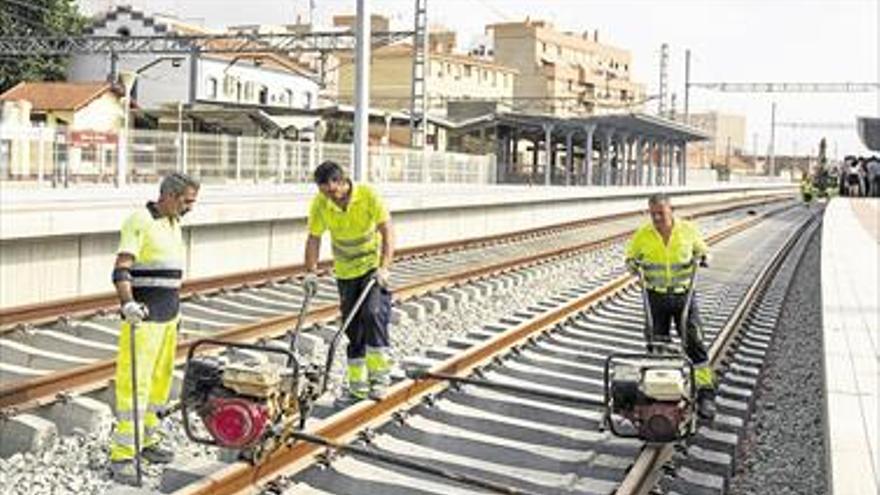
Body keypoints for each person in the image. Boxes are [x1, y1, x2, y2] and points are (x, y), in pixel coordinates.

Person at [109, 172, 199, 485]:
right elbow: (121, 268)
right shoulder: (139, 220)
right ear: (170, 197)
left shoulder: (175, 223)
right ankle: (123, 455)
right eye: (187, 201)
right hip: (143, 319)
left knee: (159, 385)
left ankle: (148, 441)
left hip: (169, 317)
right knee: (135, 384)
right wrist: (127, 304)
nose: (190, 207)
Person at [303, 161, 395, 401]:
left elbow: (387, 231)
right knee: (352, 327)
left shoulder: (367, 196)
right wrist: (311, 272)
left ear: (343, 182)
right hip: (345, 273)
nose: (330, 198)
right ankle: (358, 385)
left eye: (333, 192)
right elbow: (313, 238)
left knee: (373, 314)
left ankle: (380, 378)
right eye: (324, 193)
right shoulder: (321, 203)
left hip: (371, 269)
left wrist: (384, 268)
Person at [624, 193, 716, 419]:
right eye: (653, 213)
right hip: (655, 297)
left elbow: (704, 251)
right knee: (657, 344)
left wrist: (704, 258)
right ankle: (659, 394)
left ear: (671, 210)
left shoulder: (687, 230)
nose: (656, 218)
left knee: (694, 342)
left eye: (661, 213)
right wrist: (632, 265)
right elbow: (630, 258)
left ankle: (705, 393)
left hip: (683, 295)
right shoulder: (642, 235)